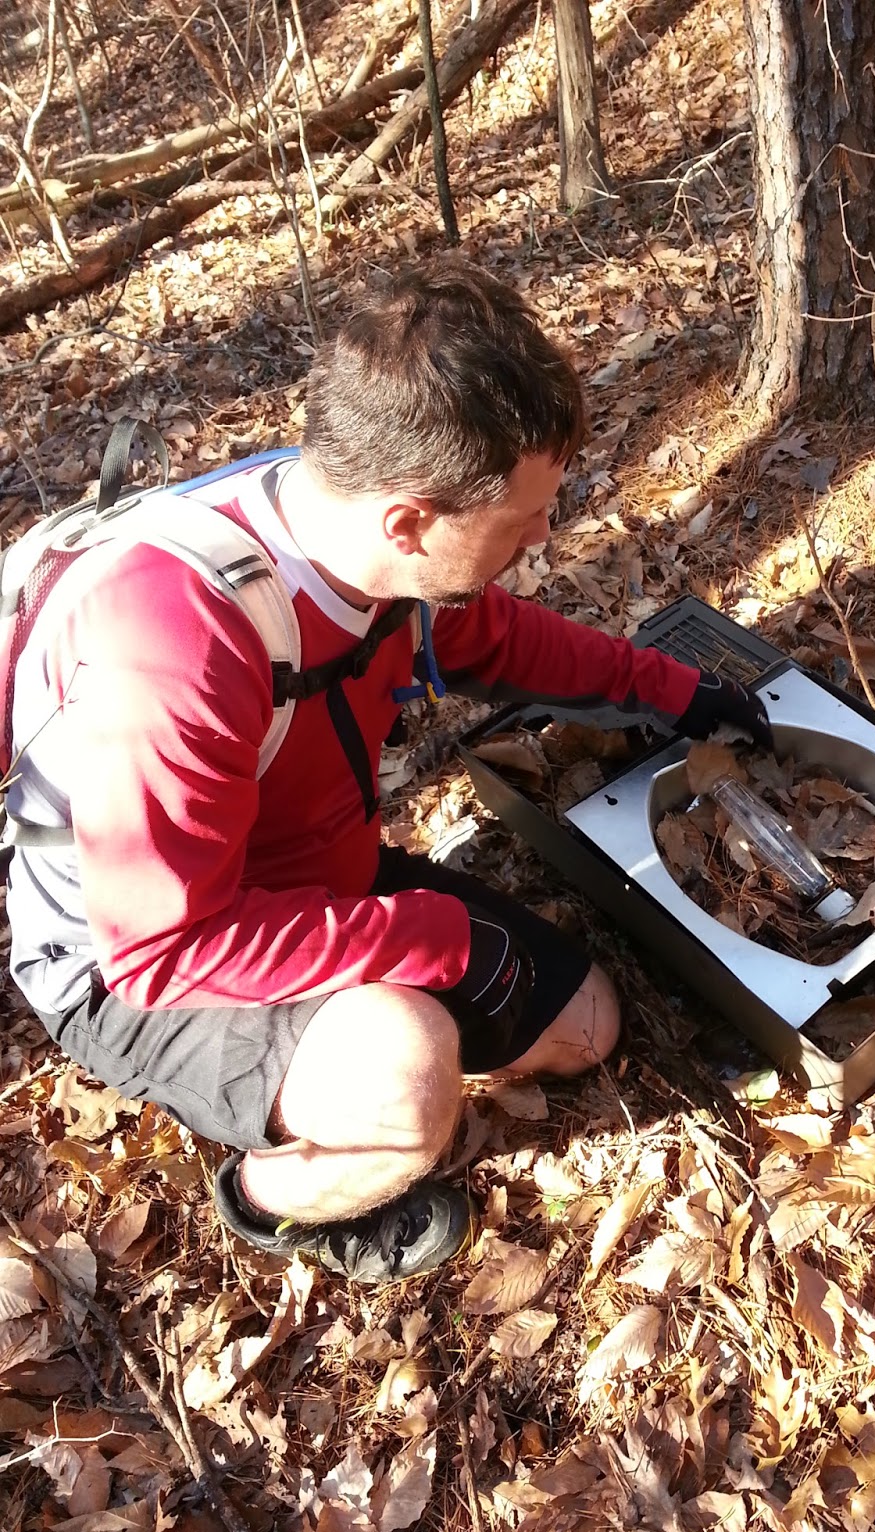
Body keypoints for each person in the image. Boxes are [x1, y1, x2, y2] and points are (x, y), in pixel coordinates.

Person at [4, 260, 771, 1284]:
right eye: (524, 516)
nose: (544, 533)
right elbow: (160, 950)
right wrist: (433, 941)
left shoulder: (368, 544)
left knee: (587, 1027)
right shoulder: (180, 641)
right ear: (410, 521)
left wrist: (673, 693)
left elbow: (501, 640)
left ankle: (359, 1044)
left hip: (316, 878)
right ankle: (268, 1200)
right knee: (409, 1079)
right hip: (134, 965)